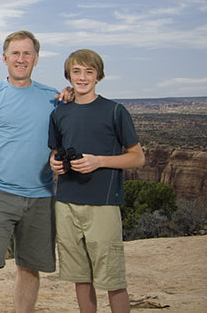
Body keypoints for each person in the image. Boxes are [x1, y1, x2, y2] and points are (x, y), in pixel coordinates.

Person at [0, 30, 66, 313]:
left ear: (36, 58)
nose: (21, 59)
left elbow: (63, 136)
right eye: (16, 54)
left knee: (30, 268)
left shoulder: (52, 98)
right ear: (4, 58)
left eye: (27, 53)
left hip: (41, 195)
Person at [49, 49, 145, 313]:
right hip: (66, 203)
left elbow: (137, 158)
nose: (82, 77)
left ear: (98, 77)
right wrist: (54, 163)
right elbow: (54, 153)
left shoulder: (114, 111)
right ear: (69, 75)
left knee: (113, 280)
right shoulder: (59, 114)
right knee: (81, 278)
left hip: (102, 205)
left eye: (89, 72)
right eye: (76, 71)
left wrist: (98, 161)